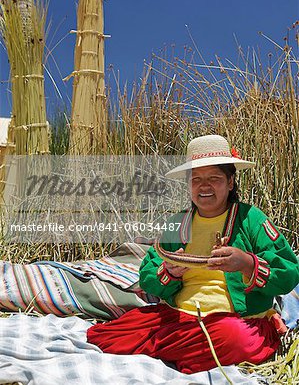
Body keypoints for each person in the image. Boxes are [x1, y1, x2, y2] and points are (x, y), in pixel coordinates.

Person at [87, 134, 299, 374]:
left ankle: (171, 346)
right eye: (195, 179)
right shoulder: (177, 222)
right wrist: (168, 272)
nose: (204, 186)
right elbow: (147, 275)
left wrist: (247, 264)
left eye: (214, 178)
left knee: (234, 338)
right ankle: (191, 351)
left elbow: (289, 272)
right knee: (107, 335)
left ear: (230, 182)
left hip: (235, 320)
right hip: (179, 316)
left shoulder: (251, 219)